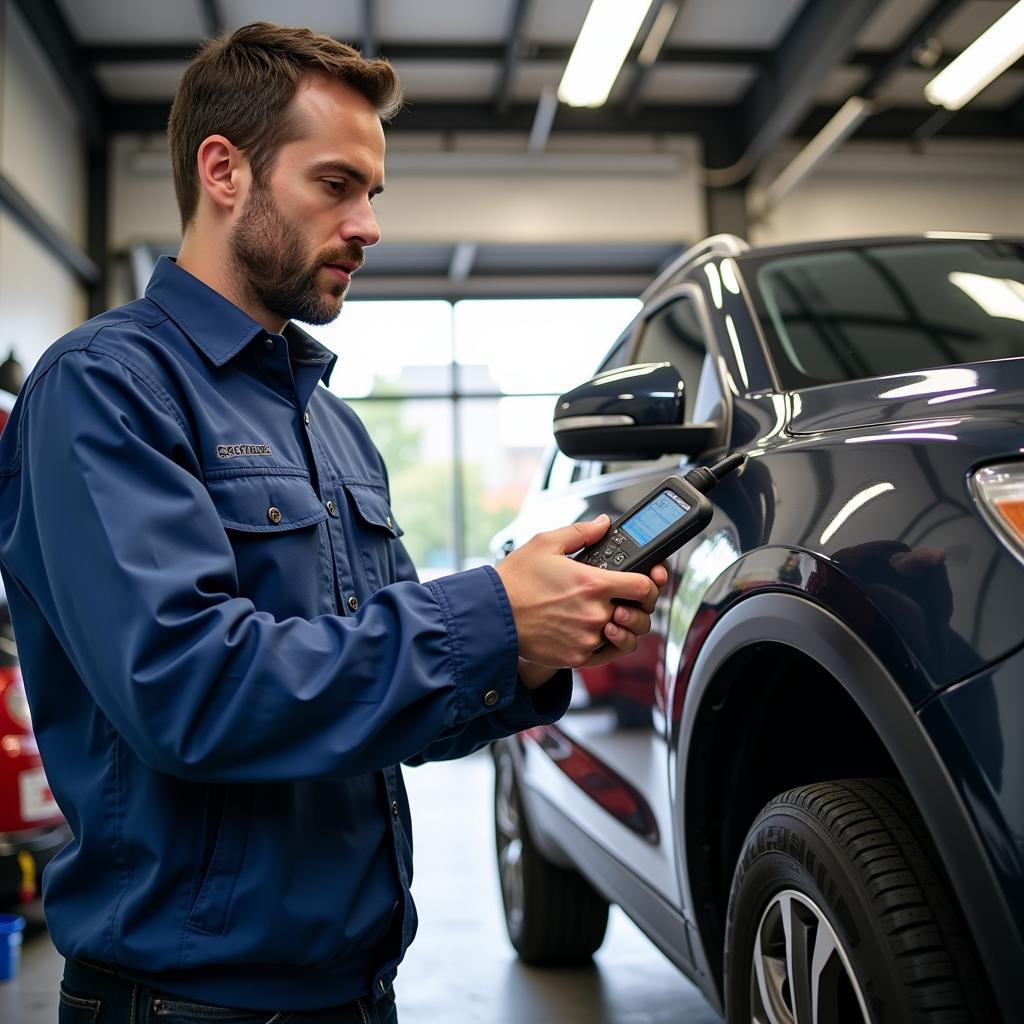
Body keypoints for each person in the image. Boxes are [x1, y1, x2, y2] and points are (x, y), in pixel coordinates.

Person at [0, 22, 668, 1024]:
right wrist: (490, 614)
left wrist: (531, 646)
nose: (367, 224)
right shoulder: (104, 389)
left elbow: (376, 698)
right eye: (334, 185)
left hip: (357, 990)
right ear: (223, 171)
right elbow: (189, 690)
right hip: (189, 1003)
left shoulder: (332, 423)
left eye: (373, 193)